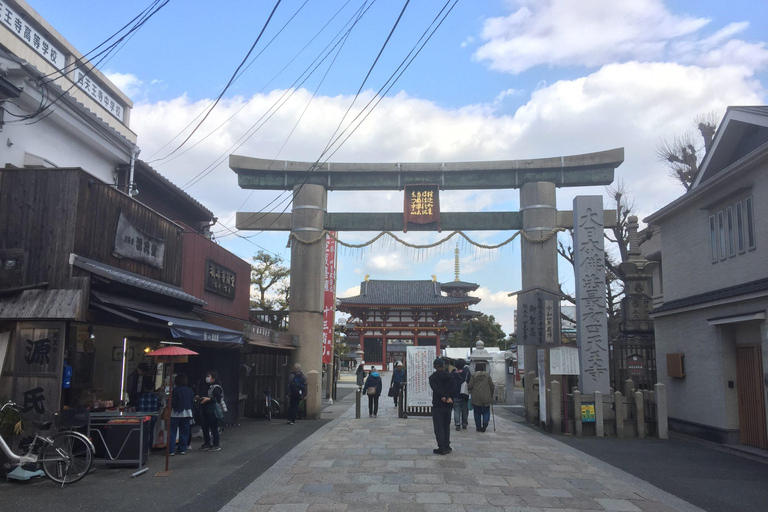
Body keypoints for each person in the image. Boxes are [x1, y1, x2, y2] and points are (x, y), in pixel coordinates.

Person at [428, 357, 454, 455]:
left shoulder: (432, 377)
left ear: (434, 367)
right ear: (444, 365)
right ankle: (447, 445)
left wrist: (443, 396)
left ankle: (441, 447)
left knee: (438, 426)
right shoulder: (450, 376)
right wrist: (449, 397)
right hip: (449, 404)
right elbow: (454, 388)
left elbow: (435, 389)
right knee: (446, 426)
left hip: (438, 404)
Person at [168, 373, 195, 456]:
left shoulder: (175, 390)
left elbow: (172, 402)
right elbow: (192, 402)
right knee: (184, 432)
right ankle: (182, 449)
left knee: (172, 432)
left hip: (175, 413)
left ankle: (170, 450)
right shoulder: (190, 390)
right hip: (187, 413)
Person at [199, 371, 223, 451]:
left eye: (209, 376)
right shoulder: (206, 386)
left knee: (214, 427)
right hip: (205, 409)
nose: (207, 378)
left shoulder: (216, 387)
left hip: (213, 410)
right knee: (205, 427)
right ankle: (207, 443)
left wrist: (208, 399)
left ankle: (216, 444)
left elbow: (218, 399)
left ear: (213, 378)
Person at [468, 361, 495, 432]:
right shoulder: (487, 375)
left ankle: (478, 427)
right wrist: (491, 394)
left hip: (476, 397)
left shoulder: (474, 376)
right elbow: (492, 385)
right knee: (486, 411)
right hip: (486, 396)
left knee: (477, 412)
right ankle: (485, 422)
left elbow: (470, 386)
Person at [136, 382, 160, 449]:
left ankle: (141, 447)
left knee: (142, 432)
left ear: (144, 387)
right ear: (152, 388)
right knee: (151, 432)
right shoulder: (156, 397)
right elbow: (158, 407)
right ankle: (149, 448)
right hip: (152, 417)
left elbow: (137, 408)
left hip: (142, 418)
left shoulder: (141, 397)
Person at [451, 359, 471, 431]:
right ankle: (464, 424)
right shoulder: (467, 373)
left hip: (455, 394)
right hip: (464, 394)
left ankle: (457, 424)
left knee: (456, 410)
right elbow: (469, 383)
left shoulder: (453, 374)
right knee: (465, 410)